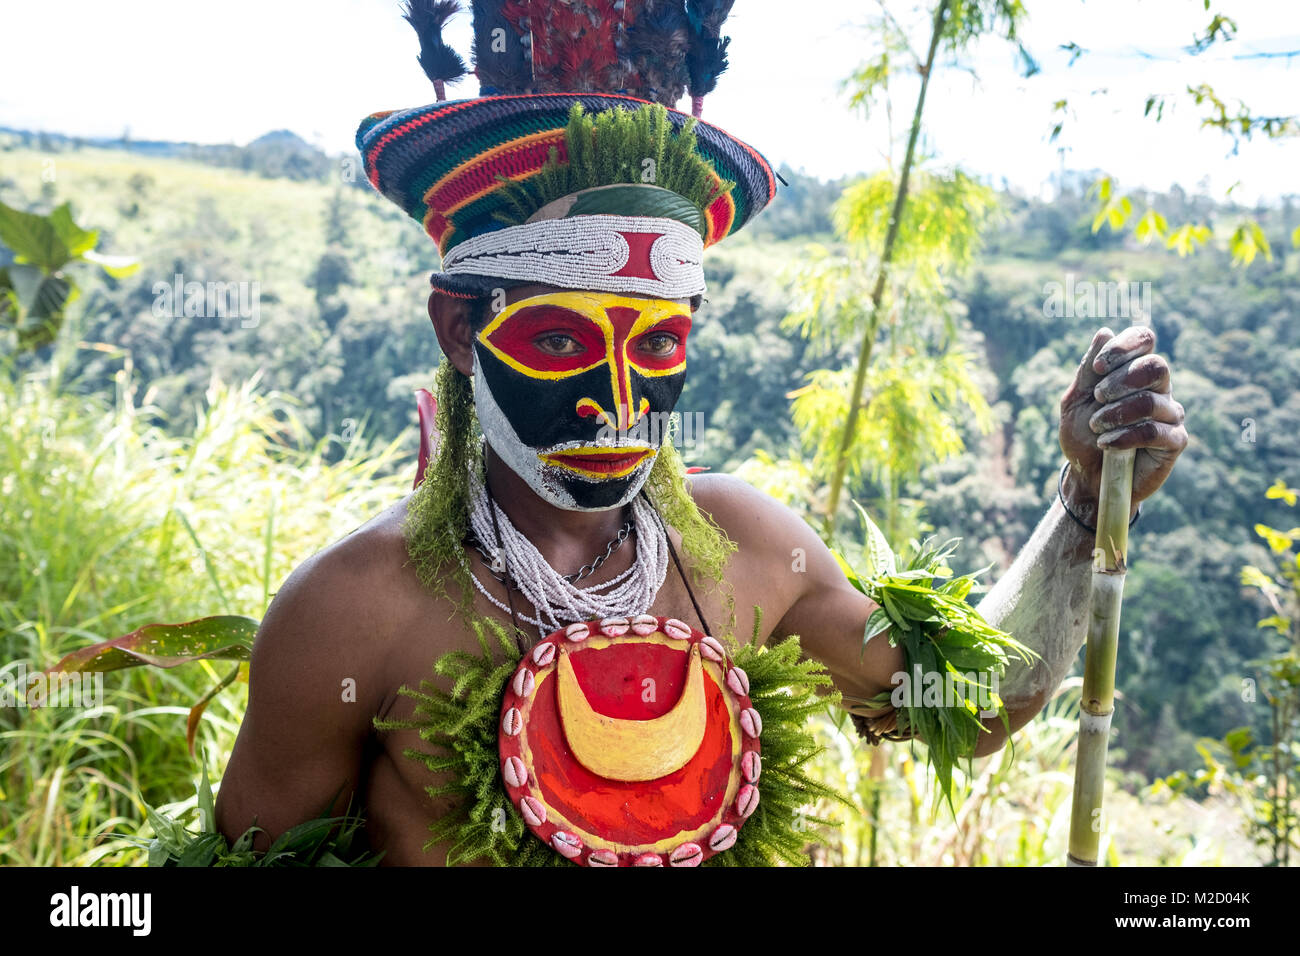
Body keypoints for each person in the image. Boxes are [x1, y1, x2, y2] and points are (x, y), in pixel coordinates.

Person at [214, 1, 1187, 866]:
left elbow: (968, 708)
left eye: (660, 340)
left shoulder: (748, 548)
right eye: (560, 338)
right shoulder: (352, 611)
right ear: (460, 330)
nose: (617, 397)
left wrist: (1078, 501)